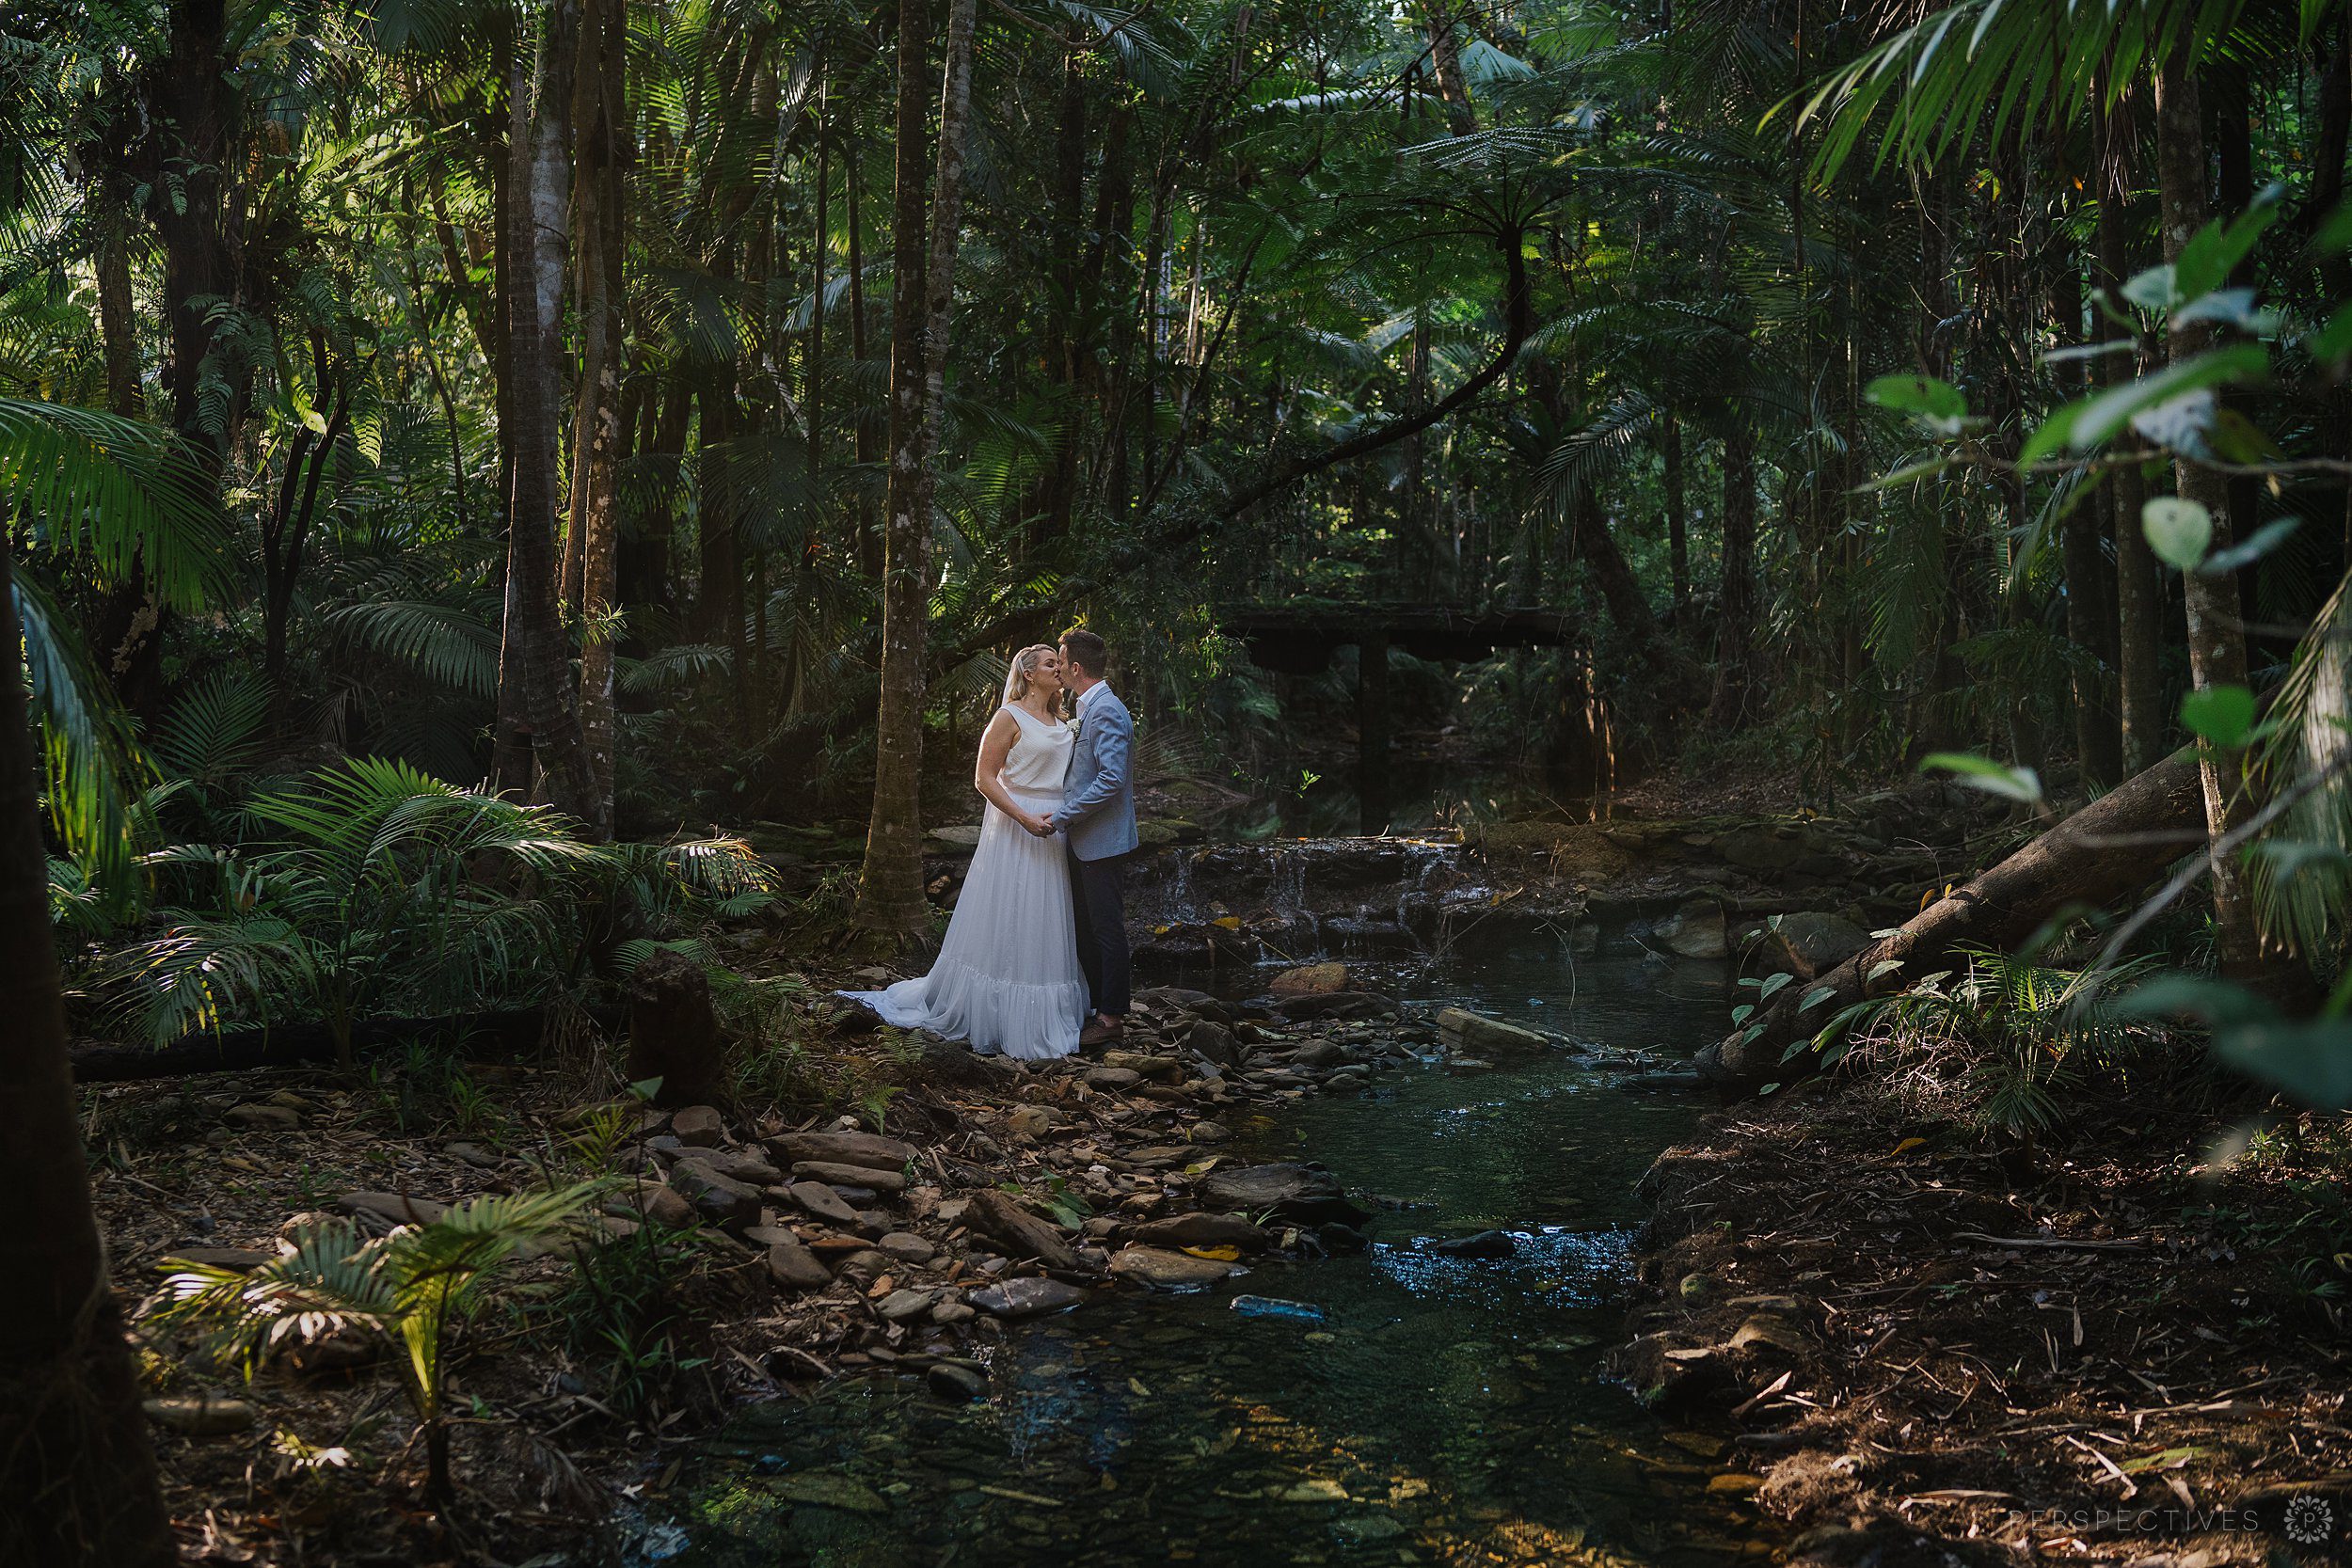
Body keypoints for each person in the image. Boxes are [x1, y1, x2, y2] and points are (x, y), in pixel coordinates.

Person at [837, 646, 1088, 1059]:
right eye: (1050, 663)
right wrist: (1024, 818)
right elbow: (984, 779)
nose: (1058, 668)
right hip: (1017, 827)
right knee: (1011, 912)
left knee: (1044, 917)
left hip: (1054, 829)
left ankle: (1044, 1012)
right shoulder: (1008, 717)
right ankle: (995, 1012)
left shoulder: (1062, 720)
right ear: (1027, 674)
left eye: (1057, 663)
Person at [1045, 627, 1137, 1049]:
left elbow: (1111, 781)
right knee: (1085, 928)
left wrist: (1062, 816)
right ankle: (1097, 1005)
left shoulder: (1106, 711)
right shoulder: (1090, 707)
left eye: (1060, 661)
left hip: (1100, 841)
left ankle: (1112, 1016)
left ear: (1076, 667)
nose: (1058, 668)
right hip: (1085, 840)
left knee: (1106, 929)